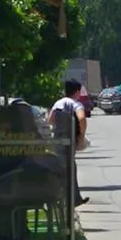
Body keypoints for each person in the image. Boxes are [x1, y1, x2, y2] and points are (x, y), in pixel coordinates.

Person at [48, 79, 90, 207]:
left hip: (57, 140)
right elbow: (82, 118)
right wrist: (81, 136)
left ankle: (73, 198)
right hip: (69, 140)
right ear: (77, 91)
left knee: (64, 167)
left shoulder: (58, 103)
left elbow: (50, 119)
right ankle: (69, 200)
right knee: (70, 169)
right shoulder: (76, 104)